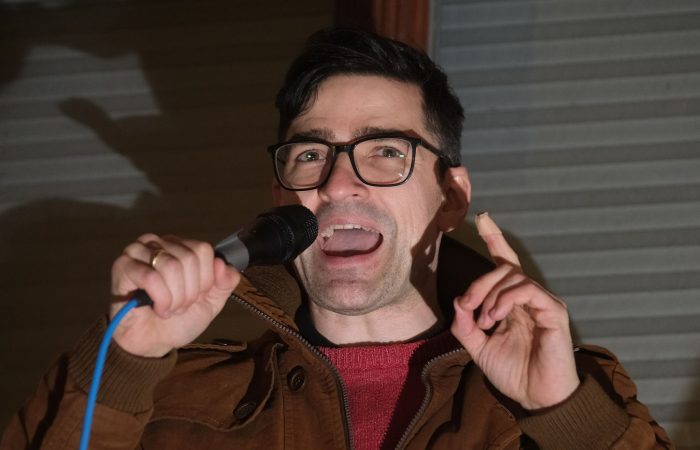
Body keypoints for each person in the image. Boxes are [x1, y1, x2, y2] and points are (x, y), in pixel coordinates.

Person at [1, 28, 673, 450]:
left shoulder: (569, 392)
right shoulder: (170, 395)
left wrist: (563, 414)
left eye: (385, 151)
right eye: (310, 154)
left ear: (451, 198)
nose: (339, 183)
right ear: (281, 199)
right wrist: (125, 366)